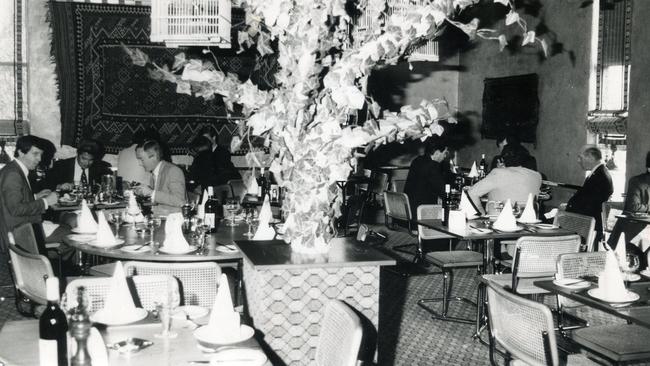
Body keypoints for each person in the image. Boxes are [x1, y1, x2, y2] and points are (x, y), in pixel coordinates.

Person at [468, 144, 542, 215]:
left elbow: (472, 193)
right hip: (529, 223)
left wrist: (481, 214)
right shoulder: (537, 176)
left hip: (499, 223)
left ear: (503, 159)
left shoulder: (499, 173)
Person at [566, 146, 613, 246]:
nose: (578, 161)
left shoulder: (600, 176)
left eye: (580, 157)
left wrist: (569, 211)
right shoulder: (598, 173)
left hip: (589, 226)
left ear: (591, 158)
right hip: (588, 223)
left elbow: (591, 204)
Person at [134, 140, 186, 216]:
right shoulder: (154, 172)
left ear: (153, 157)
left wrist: (151, 193)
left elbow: (180, 201)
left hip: (172, 220)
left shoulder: (173, 171)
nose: (139, 164)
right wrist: (143, 193)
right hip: (159, 216)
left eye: (141, 159)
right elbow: (157, 198)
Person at [404, 139, 451, 218]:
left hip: (409, 211)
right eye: (445, 153)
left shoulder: (417, 160)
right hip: (420, 214)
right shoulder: (432, 166)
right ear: (437, 153)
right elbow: (444, 192)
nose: (445, 156)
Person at [42, 139, 113, 191]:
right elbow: (45, 185)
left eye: (91, 160)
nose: (87, 163)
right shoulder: (61, 166)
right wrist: (59, 186)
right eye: (84, 158)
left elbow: (110, 187)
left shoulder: (102, 167)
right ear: (77, 154)